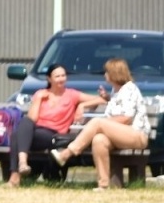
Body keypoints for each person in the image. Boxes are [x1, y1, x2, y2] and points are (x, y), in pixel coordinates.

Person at [53, 59, 149, 190]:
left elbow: (126, 119)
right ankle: (103, 184)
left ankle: (67, 153)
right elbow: (119, 107)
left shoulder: (130, 89)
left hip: (136, 135)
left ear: (115, 73)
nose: (105, 75)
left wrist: (104, 124)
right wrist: (108, 98)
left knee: (97, 122)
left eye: (107, 72)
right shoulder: (116, 90)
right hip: (120, 135)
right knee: (99, 140)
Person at [5, 65, 105, 187]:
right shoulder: (41, 94)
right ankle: (22, 164)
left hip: (55, 134)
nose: (61, 79)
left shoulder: (71, 94)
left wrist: (82, 105)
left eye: (63, 76)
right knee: (21, 127)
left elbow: (102, 100)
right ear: (49, 79)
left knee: (16, 136)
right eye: (57, 76)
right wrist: (38, 99)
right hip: (36, 132)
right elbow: (32, 119)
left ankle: (15, 175)